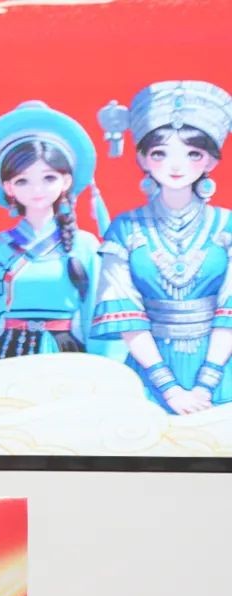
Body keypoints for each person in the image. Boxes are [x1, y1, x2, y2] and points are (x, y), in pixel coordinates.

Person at [0, 101, 112, 371]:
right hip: (8, 358)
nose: (36, 189)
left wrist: (111, 371)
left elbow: (101, 318)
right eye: (22, 181)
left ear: (66, 181)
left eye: (48, 178)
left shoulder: (85, 245)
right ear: (8, 187)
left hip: (66, 359)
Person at [93, 81, 232, 414]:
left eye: (193, 154)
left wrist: (205, 384)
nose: (176, 165)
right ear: (143, 158)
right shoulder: (125, 228)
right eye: (160, 153)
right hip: (147, 373)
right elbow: (126, 314)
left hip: (221, 368)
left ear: (211, 161)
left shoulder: (227, 226)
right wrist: (170, 389)